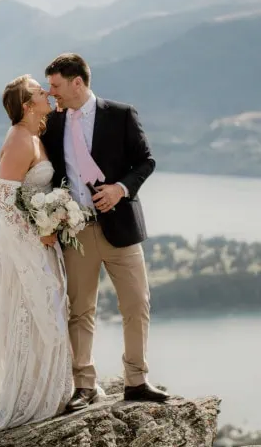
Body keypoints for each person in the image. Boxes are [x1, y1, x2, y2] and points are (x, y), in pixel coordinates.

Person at [42, 53, 169, 411]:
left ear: (77, 82)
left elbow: (146, 161)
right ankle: (84, 386)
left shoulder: (121, 115)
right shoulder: (52, 123)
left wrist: (120, 189)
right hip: (77, 231)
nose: (52, 93)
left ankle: (137, 380)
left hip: (121, 228)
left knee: (136, 303)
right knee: (80, 309)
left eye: (56, 86)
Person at [0, 75, 74, 431]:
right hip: (22, 243)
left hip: (38, 240)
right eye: (39, 91)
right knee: (32, 309)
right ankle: (29, 397)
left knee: (48, 305)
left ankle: (50, 391)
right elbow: (2, 200)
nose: (46, 93)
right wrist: (39, 232)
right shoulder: (18, 139)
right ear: (27, 106)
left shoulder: (35, 136)